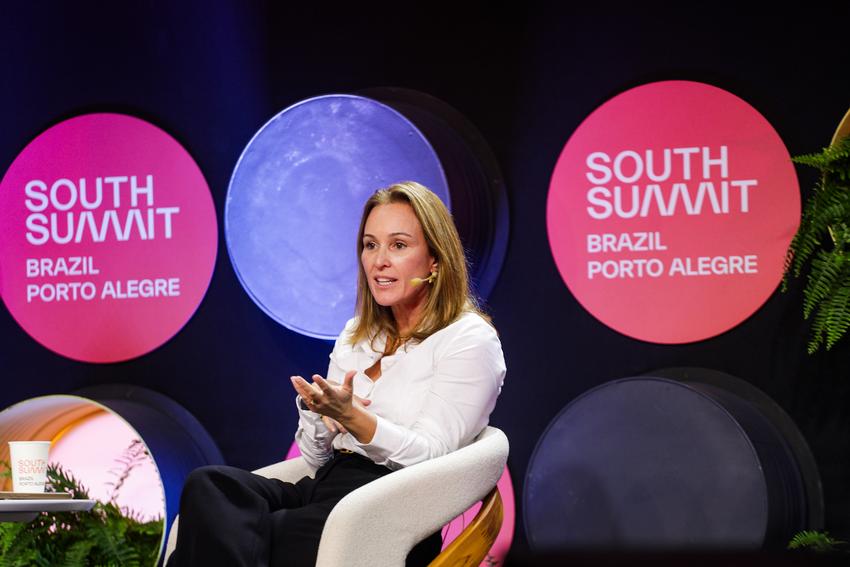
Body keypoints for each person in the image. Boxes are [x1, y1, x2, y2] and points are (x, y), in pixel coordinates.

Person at [167, 181, 506, 567]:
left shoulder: (467, 339)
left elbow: (432, 459)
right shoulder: (357, 333)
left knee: (229, 539)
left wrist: (356, 419)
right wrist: (318, 412)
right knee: (210, 487)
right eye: (370, 245)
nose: (379, 261)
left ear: (435, 261)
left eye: (398, 245)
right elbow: (316, 459)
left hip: (386, 511)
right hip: (326, 488)